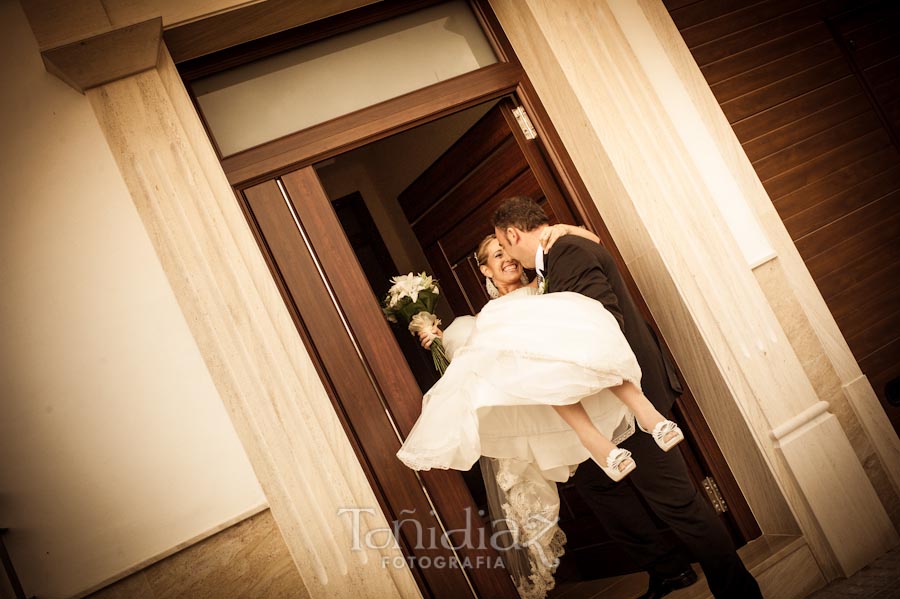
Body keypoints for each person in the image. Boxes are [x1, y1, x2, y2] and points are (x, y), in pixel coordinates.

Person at [492, 196, 762, 599]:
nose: (508, 254)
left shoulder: (568, 253)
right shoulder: (559, 254)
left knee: (678, 503)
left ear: (513, 234)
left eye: (503, 243)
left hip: (630, 402)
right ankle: (669, 571)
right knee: (599, 488)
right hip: (610, 407)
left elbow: (603, 326)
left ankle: (739, 592)